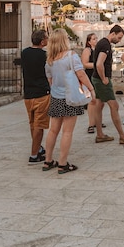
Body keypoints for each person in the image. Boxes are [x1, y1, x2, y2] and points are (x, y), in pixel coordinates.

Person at [43, 28, 96, 174]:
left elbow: (50, 80)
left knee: (53, 130)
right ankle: (62, 163)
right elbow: (81, 75)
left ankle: (48, 160)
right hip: (70, 97)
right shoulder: (71, 56)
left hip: (56, 97)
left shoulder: (49, 61)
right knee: (67, 132)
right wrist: (91, 90)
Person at [92, 24, 124, 145]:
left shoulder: (102, 43)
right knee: (114, 106)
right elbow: (99, 64)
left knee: (99, 105)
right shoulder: (105, 45)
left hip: (96, 78)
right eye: (119, 37)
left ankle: (100, 135)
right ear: (113, 34)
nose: (119, 40)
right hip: (102, 79)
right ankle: (122, 136)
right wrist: (104, 78)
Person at [21, 29, 50, 165]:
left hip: (28, 94)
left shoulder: (24, 53)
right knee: (39, 125)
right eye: (47, 38)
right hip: (41, 93)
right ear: (42, 41)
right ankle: (34, 155)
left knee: (33, 123)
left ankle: (37, 148)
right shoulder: (45, 55)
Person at [81, 32, 107, 134]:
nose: (96, 40)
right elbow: (85, 64)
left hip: (98, 76)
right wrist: (97, 65)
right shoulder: (87, 50)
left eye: (96, 38)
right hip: (90, 76)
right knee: (92, 101)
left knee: (100, 101)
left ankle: (98, 121)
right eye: (94, 39)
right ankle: (91, 124)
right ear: (89, 41)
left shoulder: (99, 51)